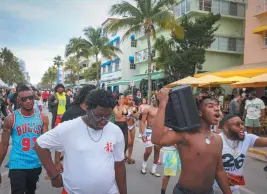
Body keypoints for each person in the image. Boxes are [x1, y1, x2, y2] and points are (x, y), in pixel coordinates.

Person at [34, 89, 127, 194]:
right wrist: (54, 176)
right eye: (98, 116)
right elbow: (39, 145)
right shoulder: (69, 128)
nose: (103, 121)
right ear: (87, 108)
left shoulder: (115, 131)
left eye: (107, 116)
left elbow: (119, 165)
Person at [152, 88, 231, 194]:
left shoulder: (218, 139)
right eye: (211, 106)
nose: (217, 109)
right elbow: (157, 139)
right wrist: (162, 103)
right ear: (199, 112)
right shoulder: (185, 134)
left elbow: (219, 171)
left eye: (217, 106)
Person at [0, 84, 49, 194]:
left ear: (34, 98)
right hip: (17, 163)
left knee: (30, 191)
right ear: (19, 100)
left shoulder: (43, 118)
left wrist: (50, 168)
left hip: (35, 164)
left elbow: (45, 145)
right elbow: (3, 145)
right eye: (24, 99)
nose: (28, 101)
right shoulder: (10, 119)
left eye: (30, 98)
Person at [214, 114, 267, 194]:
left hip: (235, 188)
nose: (242, 127)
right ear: (226, 128)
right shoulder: (216, 141)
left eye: (242, 123)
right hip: (215, 188)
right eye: (237, 124)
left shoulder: (247, 138)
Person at [54, 84, 96, 172]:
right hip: (73, 156)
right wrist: (57, 160)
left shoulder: (98, 112)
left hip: (94, 156)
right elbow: (61, 137)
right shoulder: (71, 112)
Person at [140, 95, 161, 177]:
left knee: (157, 150)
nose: (153, 100)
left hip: (158, 132)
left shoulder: (162, 109)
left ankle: (153, 170)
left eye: (154, 98)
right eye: (152, 98)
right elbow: (142, 121)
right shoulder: (148, 109)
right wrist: (143, 134)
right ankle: (144, 165)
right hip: (149, 131)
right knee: (148, 151)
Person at [125, 95, 138, 164]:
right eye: (129, 99)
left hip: (132, 125)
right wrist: (129, 115)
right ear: (126, 100)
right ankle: (123, 154)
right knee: (129, 142)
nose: (131, 101)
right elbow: (124, 118)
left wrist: (134, 113)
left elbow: (137, 117)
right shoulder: (124, 107)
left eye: (132, 99)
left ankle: (129, 158)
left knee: (132, 143)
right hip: (126, 126)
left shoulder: (133, 108)